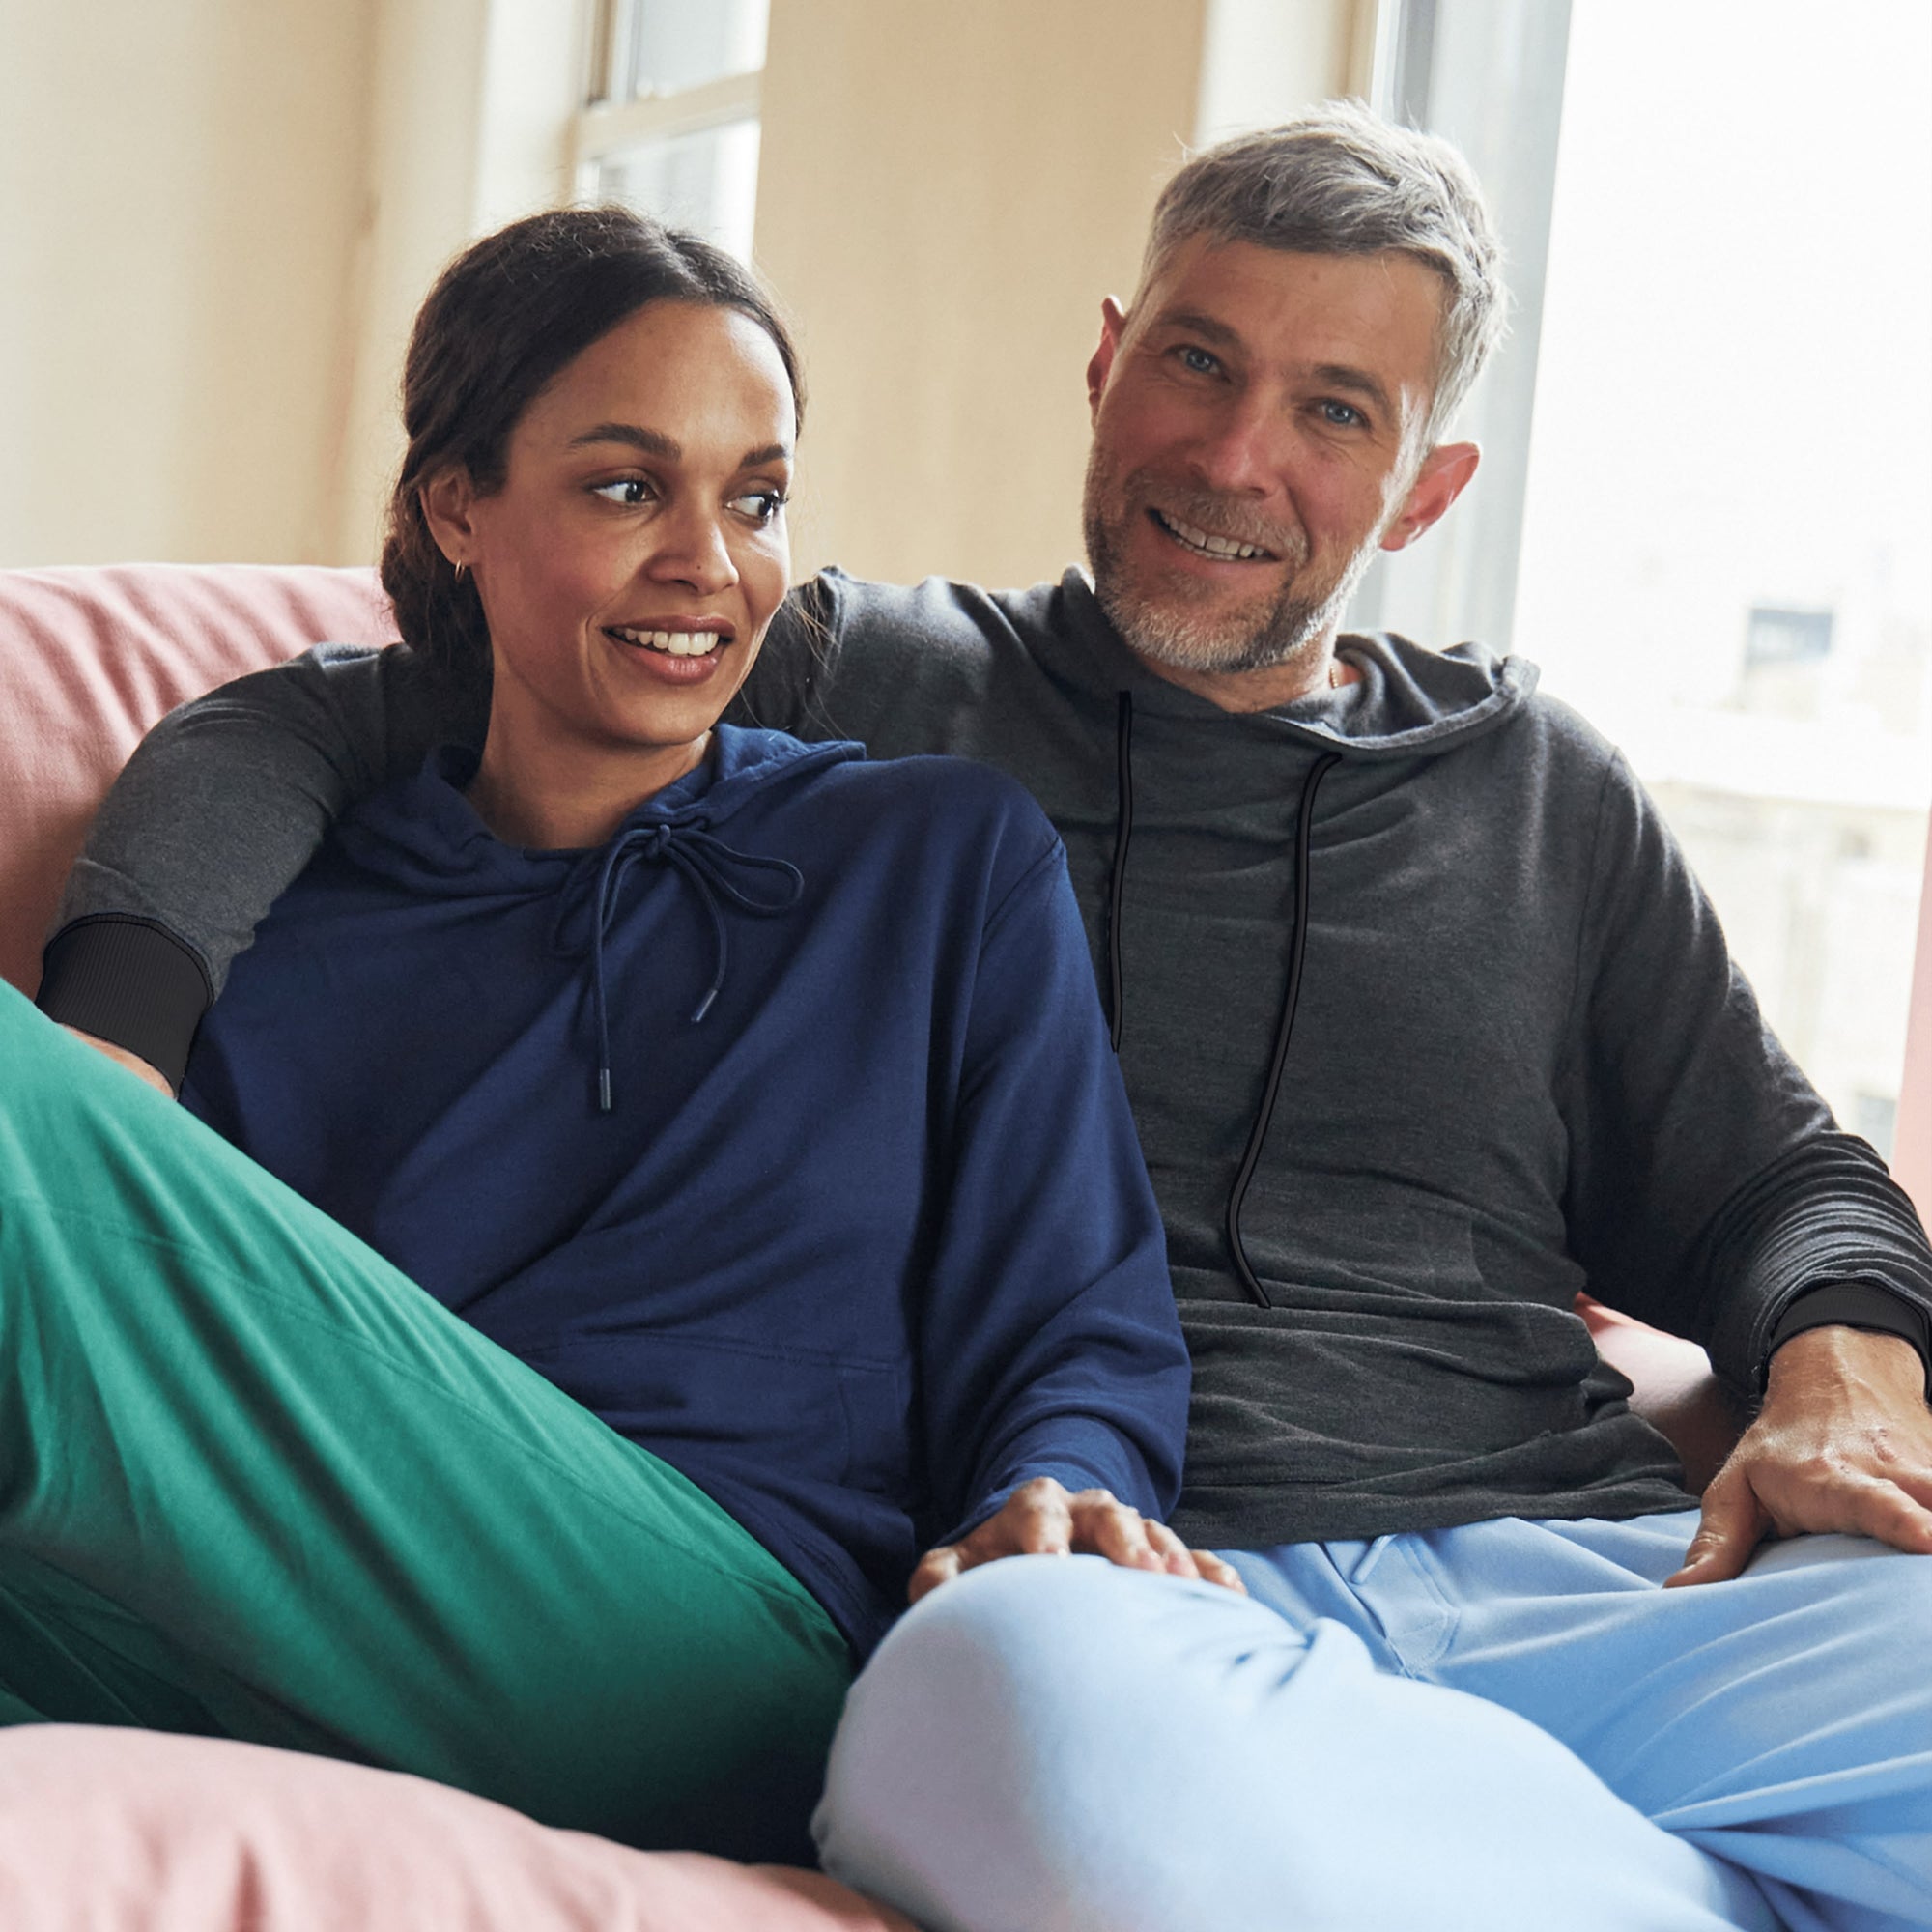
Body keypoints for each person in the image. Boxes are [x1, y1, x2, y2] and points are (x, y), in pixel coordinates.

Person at [37, 104, 1932, 1927]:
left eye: (1333, 411)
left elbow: (1779, 1178)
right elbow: (355, 707)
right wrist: (113, 1060)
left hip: (1560, 1561)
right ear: (1105, 368)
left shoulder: (1540, 789)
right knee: (1004, 1715)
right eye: (1196, 363)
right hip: (1142, 1609)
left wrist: (1847, 1366)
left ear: (1424, 487)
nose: (1232, 455)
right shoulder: (873, 678)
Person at [1, 203, 1225, 1869]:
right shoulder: (287, 913)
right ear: (456, 510)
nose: (708, 565)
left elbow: (1077, 1311)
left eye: (759, 498)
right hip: (303, 1620)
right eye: (627, 485)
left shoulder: (933, 863)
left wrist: (1062, 1488)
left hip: (719, 1644)